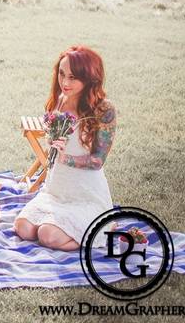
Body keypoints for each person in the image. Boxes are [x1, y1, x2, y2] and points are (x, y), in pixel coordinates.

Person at [14, 46, 116, 251]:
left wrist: (65, 158)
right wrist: (51, 144)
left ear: (89, 78)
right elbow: (54, 145)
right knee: (23, 228)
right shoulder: (58, 102)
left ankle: (103, 228)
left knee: (47, 235)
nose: (65, 82)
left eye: (73, 77)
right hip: (56, 191)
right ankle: (67, 226)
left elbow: (97, 161)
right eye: (62, 74)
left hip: (85, 195)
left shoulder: (104, 111)